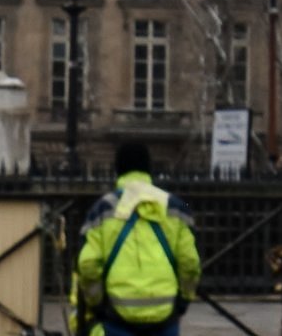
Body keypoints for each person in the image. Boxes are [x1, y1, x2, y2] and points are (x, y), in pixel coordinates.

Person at [72, 142, 201, 336]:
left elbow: (88, 264)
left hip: (116, 319)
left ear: (118, 169)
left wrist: (96, 303)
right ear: (149, 168)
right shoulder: (176, 207)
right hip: (164, 317)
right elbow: (190, 262)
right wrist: (182, 301)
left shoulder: (102, 209)